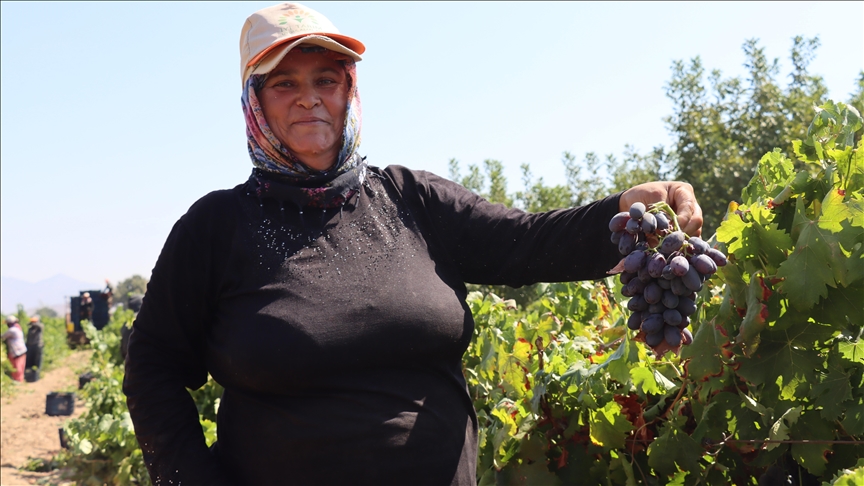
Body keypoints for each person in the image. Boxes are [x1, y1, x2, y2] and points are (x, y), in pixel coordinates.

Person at [123, 3, 704, 485]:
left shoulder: (411, 199)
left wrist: (623, 207)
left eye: (326, 79)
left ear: (349, 91)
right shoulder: (216, 227)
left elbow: (528, 243)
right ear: (255, 102)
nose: (309, 98)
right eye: (284, 84)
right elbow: (152, 367)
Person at [2, 315, 27, 382]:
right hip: (22, 349)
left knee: (16, 366)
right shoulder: (18, 328)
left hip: (16, 351)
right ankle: (21, 378)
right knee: (21, 365)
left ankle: (17, 380)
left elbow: (2, 336)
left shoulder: (12, 330)